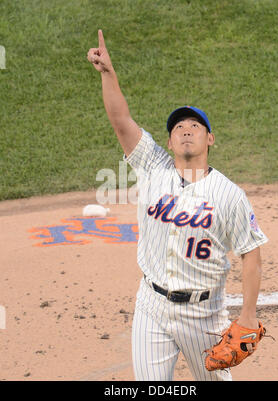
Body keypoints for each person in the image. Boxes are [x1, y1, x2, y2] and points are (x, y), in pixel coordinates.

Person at [87, 30, 268, 381]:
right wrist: (108, 74)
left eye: (195, 125)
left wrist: (247, 316)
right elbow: (121, 120)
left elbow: (252, 253)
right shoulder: (153, 165)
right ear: (168, 141)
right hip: (151, 307)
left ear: (210, 138)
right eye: (179, 127)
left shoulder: (229, 194)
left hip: (204, 314)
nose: (186, 129)